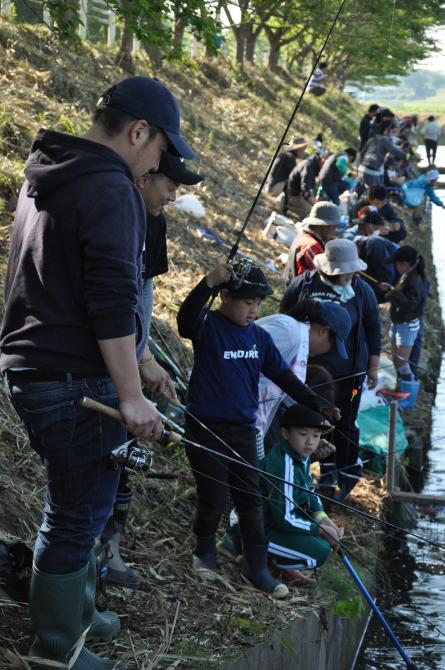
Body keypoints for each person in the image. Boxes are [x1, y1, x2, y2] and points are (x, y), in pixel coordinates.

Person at [0, 76, 194, 670]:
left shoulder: (49, 171)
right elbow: (111, 298)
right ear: (139, 132)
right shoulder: (111, 188)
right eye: (162, 148)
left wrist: (138, 361)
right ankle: (56, 649)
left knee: (85, 500)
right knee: (76, 511)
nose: (160, 161)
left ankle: (78, 613)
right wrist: (132, 396)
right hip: (73, 382)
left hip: (35, 369)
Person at [176, 260, 340, 599]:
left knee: (251, 500)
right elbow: (184, 320)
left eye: (258, 304)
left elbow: (283, 376)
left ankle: (257, 566)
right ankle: (205, 553)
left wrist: (317, 404)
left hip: (243, 430)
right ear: (224, 297)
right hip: (206, 429)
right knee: (214, 497)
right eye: (247, 302)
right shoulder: (209, 326)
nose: (254, 310)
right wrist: (206, 283)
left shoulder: (259, 338)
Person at [102, 152, 203, 590]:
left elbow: (144, 292)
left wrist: (146, 360)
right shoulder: (113, 217)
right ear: (145, 177)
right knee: (101, 461)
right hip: (104, 366)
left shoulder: (155, 221)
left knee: (124, 459)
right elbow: (110, 304)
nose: (174, 194)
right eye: (170, 183)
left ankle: (110, 551)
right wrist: (134, 364)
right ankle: (90, 563)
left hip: (132, 361)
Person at [281, 240, 381, 501]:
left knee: (346, 423)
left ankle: (346, 472)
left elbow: (373, 327)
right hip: (309, 373)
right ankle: (319, 470)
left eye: (351, 272)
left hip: (350, 374)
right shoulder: (304, 284)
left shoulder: (362, 291)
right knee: (312, 421)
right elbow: (286, 315)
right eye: (342, 273)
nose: (348, 277)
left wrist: (373, 366)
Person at [263, 403, 344, 582]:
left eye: (315, 436)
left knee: (319, 539)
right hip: (257, 530)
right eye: (302, 434)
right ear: (285, 434)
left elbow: (307, 492)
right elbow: (285, 518)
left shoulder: (301, 455)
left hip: (275, 523)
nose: (310, 441)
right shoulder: (283, 464)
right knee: (318, 553)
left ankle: (278, 563)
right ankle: (265, 561)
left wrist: (323, 518)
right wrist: (321, 531)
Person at [380, 246, 428, 382]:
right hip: (398, 322)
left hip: (407, 325)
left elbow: (411, 303)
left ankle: (409, 390)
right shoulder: (407, 275)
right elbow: (404, 295)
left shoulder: (415, 279)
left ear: (405, 264)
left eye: (396, 264)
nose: (395, 266)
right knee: (396, 361)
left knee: (401, 363)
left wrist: (392, 293)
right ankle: (400, 386)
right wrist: (391, 289)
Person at [351, 206, 399, 303]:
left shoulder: (374, 245)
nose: (359, 228)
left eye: (362, 226)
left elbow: (386, 276)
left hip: (394, 283)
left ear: (370, 226)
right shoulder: (366, 242)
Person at [283, 202, 339, 284]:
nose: (335, 231)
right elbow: (325, 278)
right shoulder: (312, 246)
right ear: (324, 226)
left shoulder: (304, 236)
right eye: (334, 227)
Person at [358, 118, 409, 186]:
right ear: (387, 130)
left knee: (362, 191)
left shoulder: (372, 138)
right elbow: (396, 152)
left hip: (362, 169)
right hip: (372, 172)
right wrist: (409, 157)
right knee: (376, 193)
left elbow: (362, 154)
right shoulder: (385, 140)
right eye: (392, 131)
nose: (392, 134)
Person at [285, 152, 323, 218]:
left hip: (297, 194)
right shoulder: (309, 165)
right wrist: (315, 204)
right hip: (293, 195)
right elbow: (305, 190)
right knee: (315, 214)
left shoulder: (313, 165)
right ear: (323, 160)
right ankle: (289, 206)